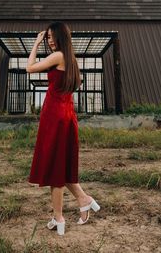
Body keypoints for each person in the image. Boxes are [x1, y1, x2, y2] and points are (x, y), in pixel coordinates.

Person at [26, 21, 100, 236]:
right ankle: (84, 200)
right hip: (66, 116)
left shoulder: (58, 56)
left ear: (60, 37)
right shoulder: (71, 60)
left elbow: (29, 68)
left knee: (55, 169)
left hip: (56, 117)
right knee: (60, 165)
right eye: (46, 37)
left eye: (51, 36)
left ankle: (58, 218)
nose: (48, 40)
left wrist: (35, 44)